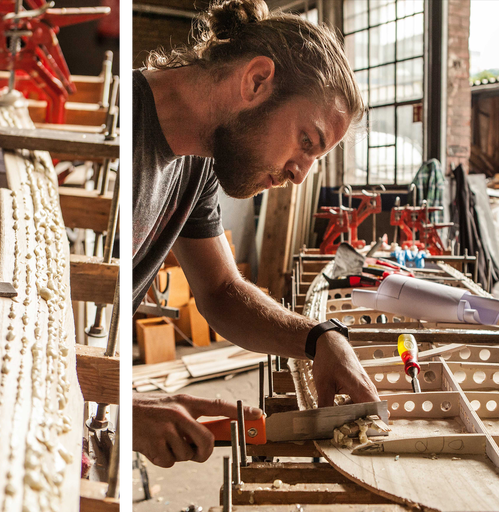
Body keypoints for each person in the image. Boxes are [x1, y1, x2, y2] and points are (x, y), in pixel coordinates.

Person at [131, 0, 381, 468]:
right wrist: (121, 411)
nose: (300, 176)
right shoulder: (118, 124)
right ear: (256, 81)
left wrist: (320, 338)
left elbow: (222, 291)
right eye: (306, 142)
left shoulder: (199, 164)